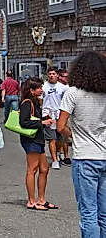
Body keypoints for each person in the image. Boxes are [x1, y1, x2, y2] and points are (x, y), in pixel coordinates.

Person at [57, 51, 106, 238]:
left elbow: (60, 126)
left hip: (84, 156)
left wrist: (75, 135)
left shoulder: (72, 93)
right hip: (103, 154)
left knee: (88, 211)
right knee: (104, 212)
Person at [19, 78, 58, 211]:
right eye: (39, 88)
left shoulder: (36, 102)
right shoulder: (26, 103)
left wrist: (44, 119)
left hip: (38, 139)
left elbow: (34, 119)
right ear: (31, 90)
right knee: (32, 169)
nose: (41, 89)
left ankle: (41, 199)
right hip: (31, 140)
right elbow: (24, 122)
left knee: (44, 168)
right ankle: (31, 200)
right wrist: (42, 123)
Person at [43, 67, 69, 170]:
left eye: (53, 74)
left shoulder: (62, 87)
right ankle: (54, 160)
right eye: (50, 74)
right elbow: (40, 100)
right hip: (48, 114)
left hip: (59, 114)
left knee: (60, 138)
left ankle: (58, 152)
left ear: (57, 75)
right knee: (51, 138)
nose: (51, 76)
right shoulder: (44, 86)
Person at [56, 68, 72, 165]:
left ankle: (66, 155)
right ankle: (60, 152)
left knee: (65, 136)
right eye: (65, 76)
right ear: (60, 77)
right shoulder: (58, 87)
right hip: (59, 112)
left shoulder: (69, 87)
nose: (66, 78)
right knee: (59, 135)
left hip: (68, 113)